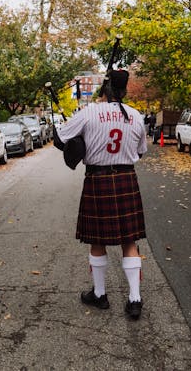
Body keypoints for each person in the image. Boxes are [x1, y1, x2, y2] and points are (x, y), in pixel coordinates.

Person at [54, 69, 148, 320]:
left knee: (98, 241)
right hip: (127, 179)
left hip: (98, 180)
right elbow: (141, 152)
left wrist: (79, 142)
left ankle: (100, 294)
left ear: (104, 89)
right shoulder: (136, 116)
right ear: (125, 90)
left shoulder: (89, 112)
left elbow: (60, 139)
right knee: (130, 241)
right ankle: (135, 299)